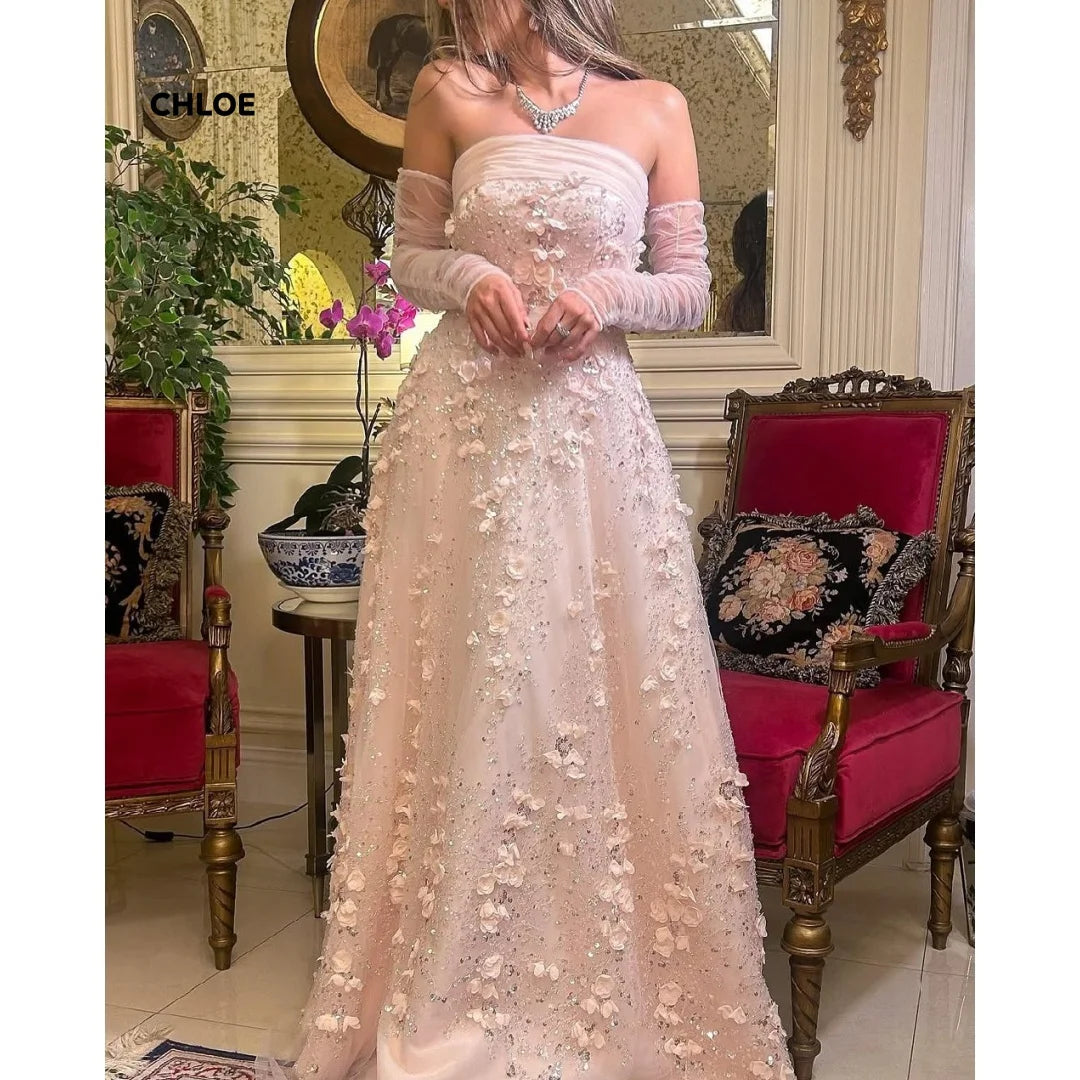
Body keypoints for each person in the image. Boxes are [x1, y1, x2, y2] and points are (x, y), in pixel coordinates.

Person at [287, 3, 794, 1078]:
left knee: (592, 685)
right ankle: (455, 980)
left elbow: (690, 287)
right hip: (464, 430)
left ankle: (594, 973)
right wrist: (472, 279)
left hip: (590, 430)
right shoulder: (446, 91)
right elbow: (411, 257)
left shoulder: (655, 105)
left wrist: (605, 291)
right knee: (468, 685)